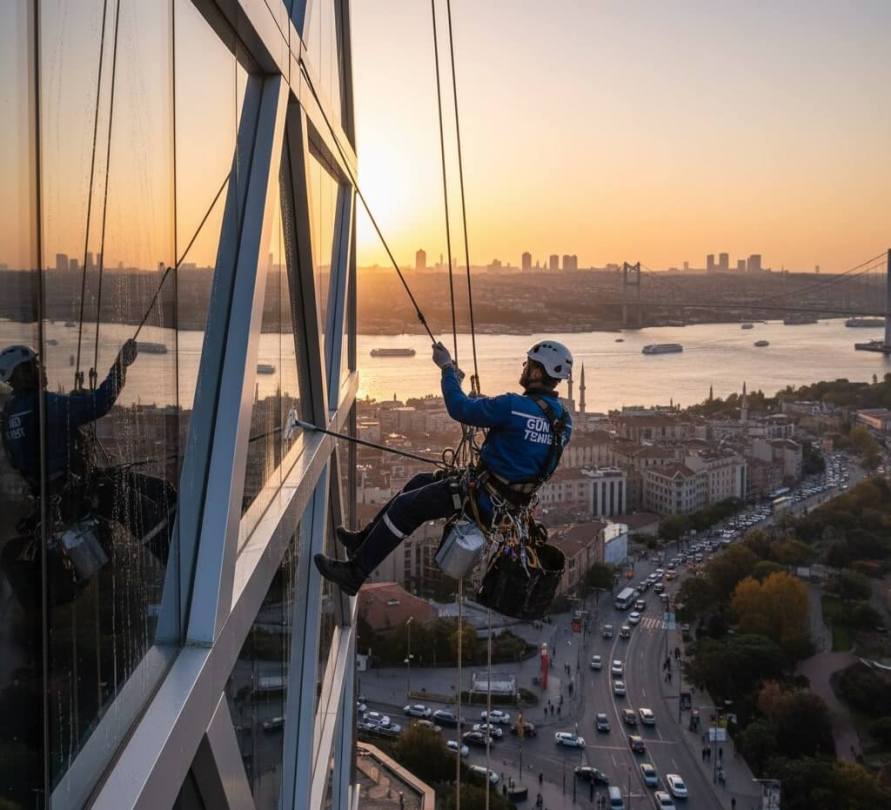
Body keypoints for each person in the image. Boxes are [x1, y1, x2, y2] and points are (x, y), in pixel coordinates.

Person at [314, 340, 574, 595]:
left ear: (538, 372)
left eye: (527, 365)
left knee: (407, 508)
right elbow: (526, 438)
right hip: (509, 501)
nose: (524, 369)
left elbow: (459, 408)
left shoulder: (512, 406)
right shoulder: (564, 421)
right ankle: (364, 540)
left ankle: (355, 574)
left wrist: (447, 368)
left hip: (484, 496)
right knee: (418, 482)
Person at [1, 341, 176, 585]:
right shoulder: (44, 404)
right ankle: (183, 567)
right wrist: (121, 365)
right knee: (149, 515)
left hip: (63, 494)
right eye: (34, 365)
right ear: (20, 374)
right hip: (80, 492)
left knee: (162, 492)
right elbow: (100, 403)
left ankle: (185, 556)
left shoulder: (10, 413)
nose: (42, 368)